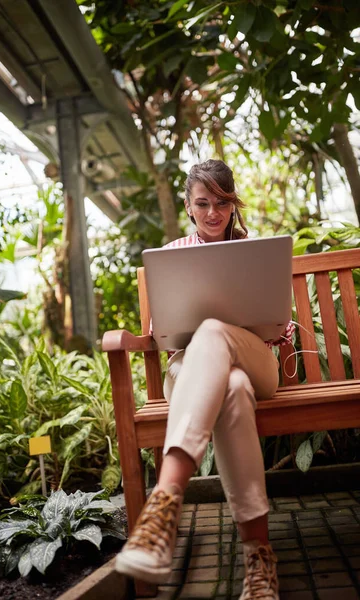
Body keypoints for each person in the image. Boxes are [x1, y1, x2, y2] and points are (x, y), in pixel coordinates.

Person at [115, 160, 294, 599]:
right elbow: (163, 334)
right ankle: (259, 563)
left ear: (232, 206)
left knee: (216, 332)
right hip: (190, 372)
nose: (212, 212)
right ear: (189, 207)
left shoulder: (254, 249)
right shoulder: (172, 252)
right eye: (202, 203)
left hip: (258, 365)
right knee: (229, 387)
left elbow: (280, 326)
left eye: (221, 203)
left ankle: (164, 504)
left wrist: (270, 324)